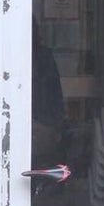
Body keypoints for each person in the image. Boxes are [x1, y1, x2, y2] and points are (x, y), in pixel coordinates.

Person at [32, 20, 66, 164]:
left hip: (42, 122)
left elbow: (55, 92)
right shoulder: (4, 55)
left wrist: (57, 125)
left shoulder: (44, 57)